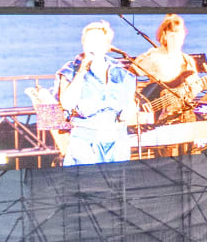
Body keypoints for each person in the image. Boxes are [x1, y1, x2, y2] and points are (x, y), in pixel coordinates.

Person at [55, 20, 142, 164]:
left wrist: (131, 109)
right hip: (85, 143)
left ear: (106, 46)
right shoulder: (71, 70)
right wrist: (82, 71)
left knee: (117, 183)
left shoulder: (121, 73)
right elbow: (67, 103)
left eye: (97, 41)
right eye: (88, 41)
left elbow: (129, 105)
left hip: (117, 141)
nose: (92, 46)